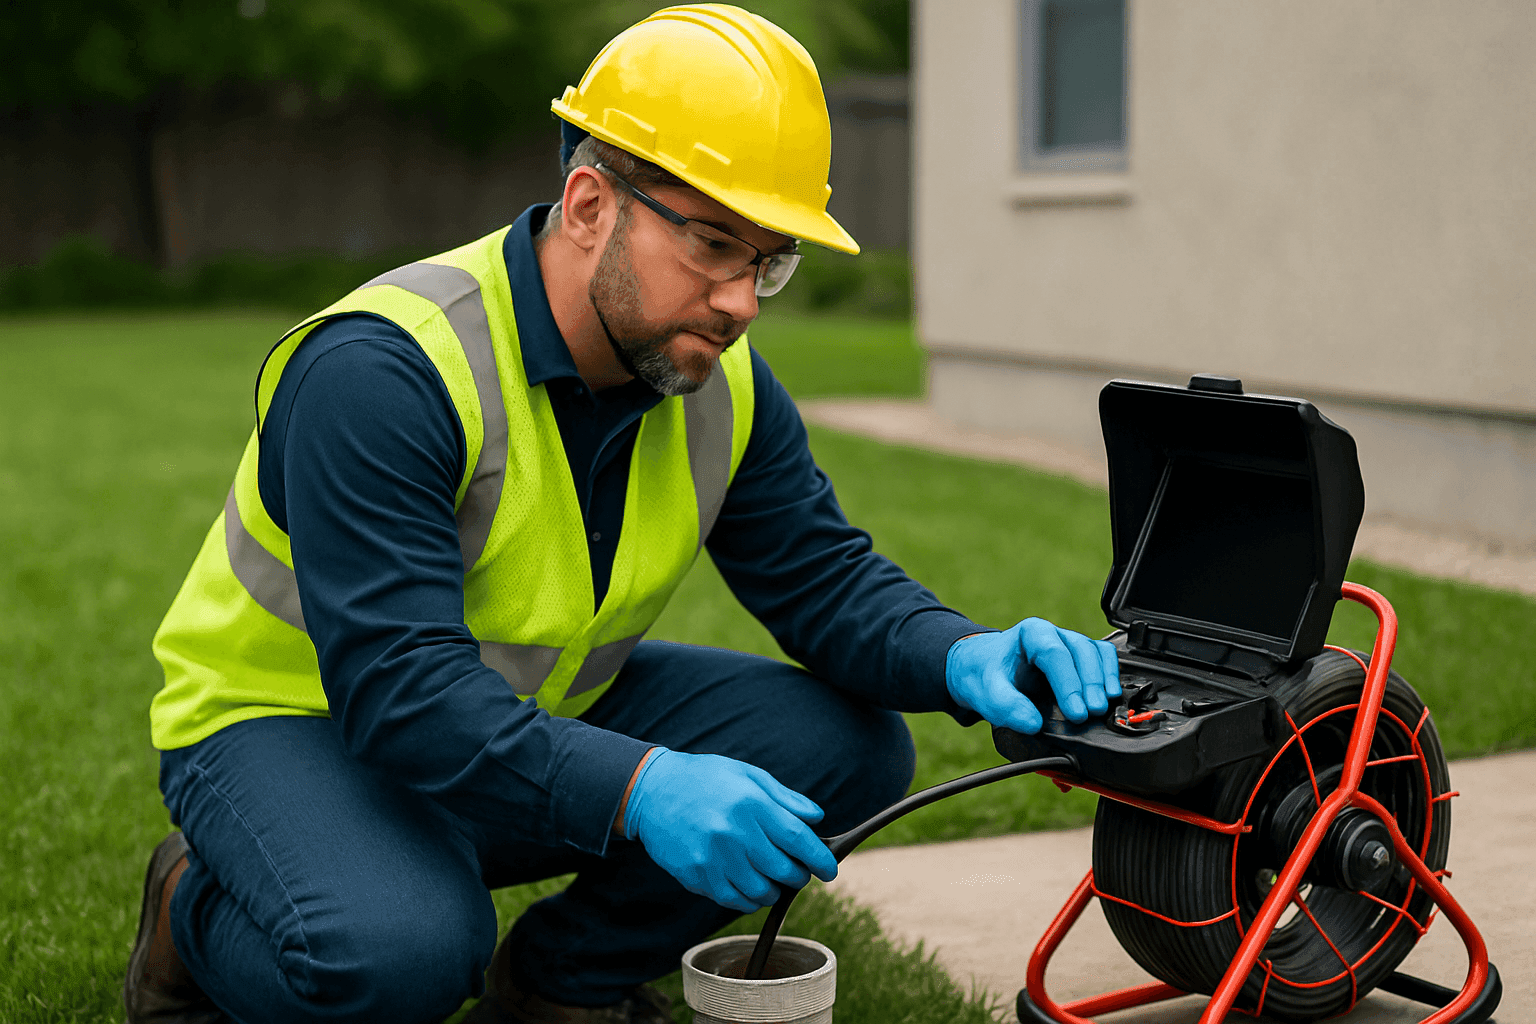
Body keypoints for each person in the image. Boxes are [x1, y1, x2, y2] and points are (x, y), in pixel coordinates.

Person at [124, 6, 1120, 1023]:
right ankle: (189, 909)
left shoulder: (717, 383)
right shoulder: (386, 370)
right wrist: (644, 787)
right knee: (402, 954)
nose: (742, 303)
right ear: (591, 204)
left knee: (845, 747)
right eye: (714, 245)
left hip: (508, 710)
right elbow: (399, 689)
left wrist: (963, 656)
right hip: (294, 726)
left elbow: (818, 574)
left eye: (768, 259)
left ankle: (560, 979)